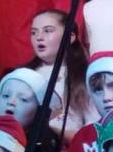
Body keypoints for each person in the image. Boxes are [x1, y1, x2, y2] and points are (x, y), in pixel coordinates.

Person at [26, 9, 95, 142]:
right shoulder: (25, 75)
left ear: (70, 37)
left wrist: (51, 129)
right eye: (34, 32)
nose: (39, 37)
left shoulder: (84, 77)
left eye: (48, 31)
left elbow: (92, 133)